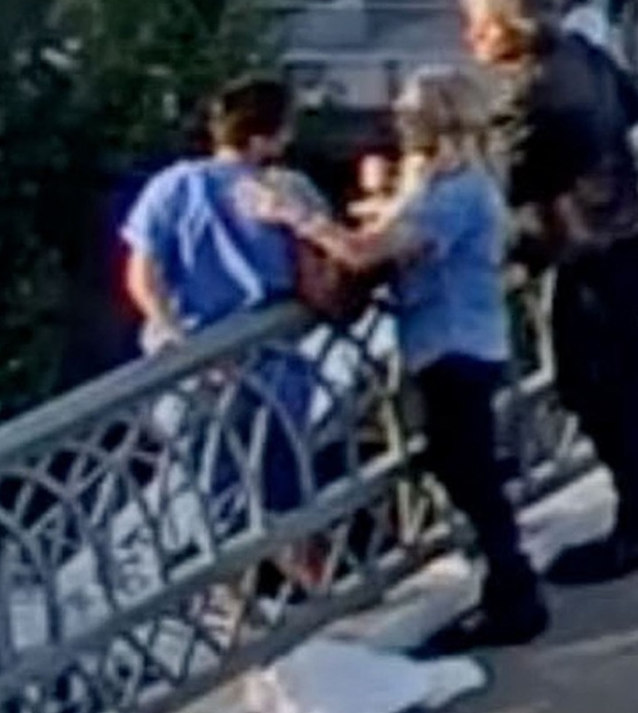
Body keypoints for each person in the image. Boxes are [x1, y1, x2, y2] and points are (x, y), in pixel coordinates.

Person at [242, 67, 549, 652]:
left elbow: (364, 254)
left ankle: (514, 592)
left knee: (466, 469)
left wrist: (295, 215)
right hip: (459, 340)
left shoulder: (456, 192)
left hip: (454, 344)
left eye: (410, 114)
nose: (400, 123)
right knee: (461, 463)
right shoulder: (457, 181)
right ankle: (507, 585)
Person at [461, 0, 638, 586]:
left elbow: (499, 183)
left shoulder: (529, 92)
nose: (470, 39)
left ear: (511, 27)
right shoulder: (585, 55)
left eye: (478, 25)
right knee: (620, 381)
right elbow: (636, 109)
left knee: (600, 387)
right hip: (628, 231)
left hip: (591, 252)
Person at [121, 76, 329, 543]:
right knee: (283, 501)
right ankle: (308, 590)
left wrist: (178, 338)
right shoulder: (290, 190)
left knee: (205, 500)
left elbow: (142, 277)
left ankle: (226, 600)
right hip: (275, 362)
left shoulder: (173, 187)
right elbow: (323, 270)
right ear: (268, 136)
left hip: (194, 368)